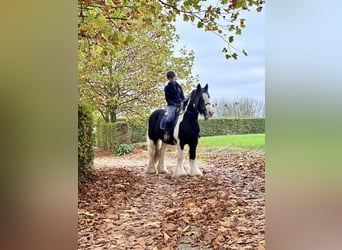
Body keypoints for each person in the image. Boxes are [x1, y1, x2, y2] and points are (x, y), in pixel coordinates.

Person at [164, 71, 185, 141]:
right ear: (169, 79)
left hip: (180, 104)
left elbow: (182, 96)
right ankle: (166, 132)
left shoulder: (179, 86)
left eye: (174, 77)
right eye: (172, 78)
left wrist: (183, 102)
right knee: (169, 117)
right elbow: (168, 99)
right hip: (171, 105)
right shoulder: (167, 88)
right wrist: (174, 104)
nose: (173, 79)